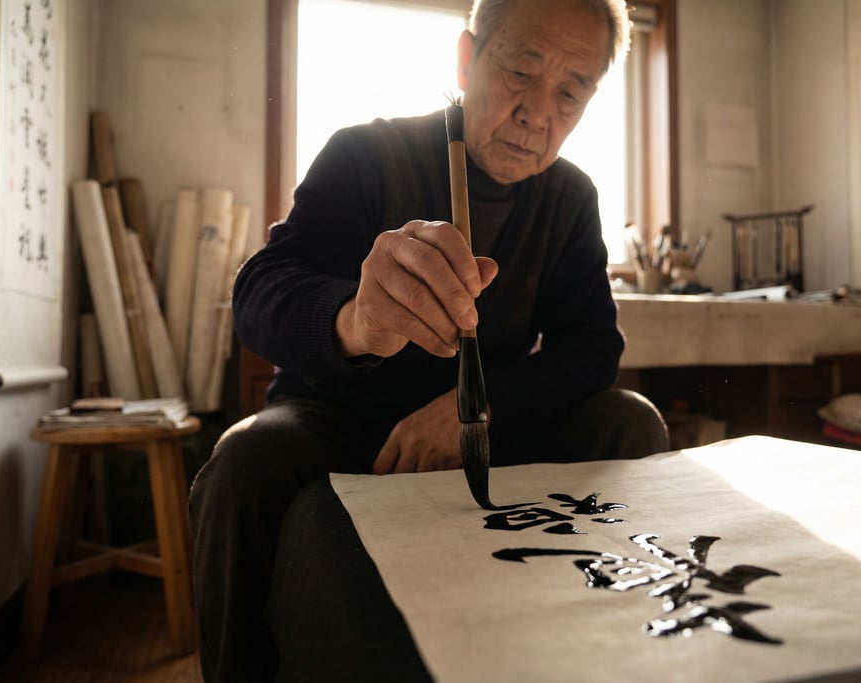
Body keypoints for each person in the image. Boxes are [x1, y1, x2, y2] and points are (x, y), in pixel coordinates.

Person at [188, 0, 669, 680]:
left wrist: (478, 409)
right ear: (467, 58)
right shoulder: (366, 152)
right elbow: (260, 292)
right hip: (341, 423)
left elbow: (591, 346)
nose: (538, 113)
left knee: (629, 419)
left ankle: (613, 651)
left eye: (570, 91)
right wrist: (355, 319)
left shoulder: (569, 198)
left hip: (484, 428)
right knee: (245, 462)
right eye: (520, 71)